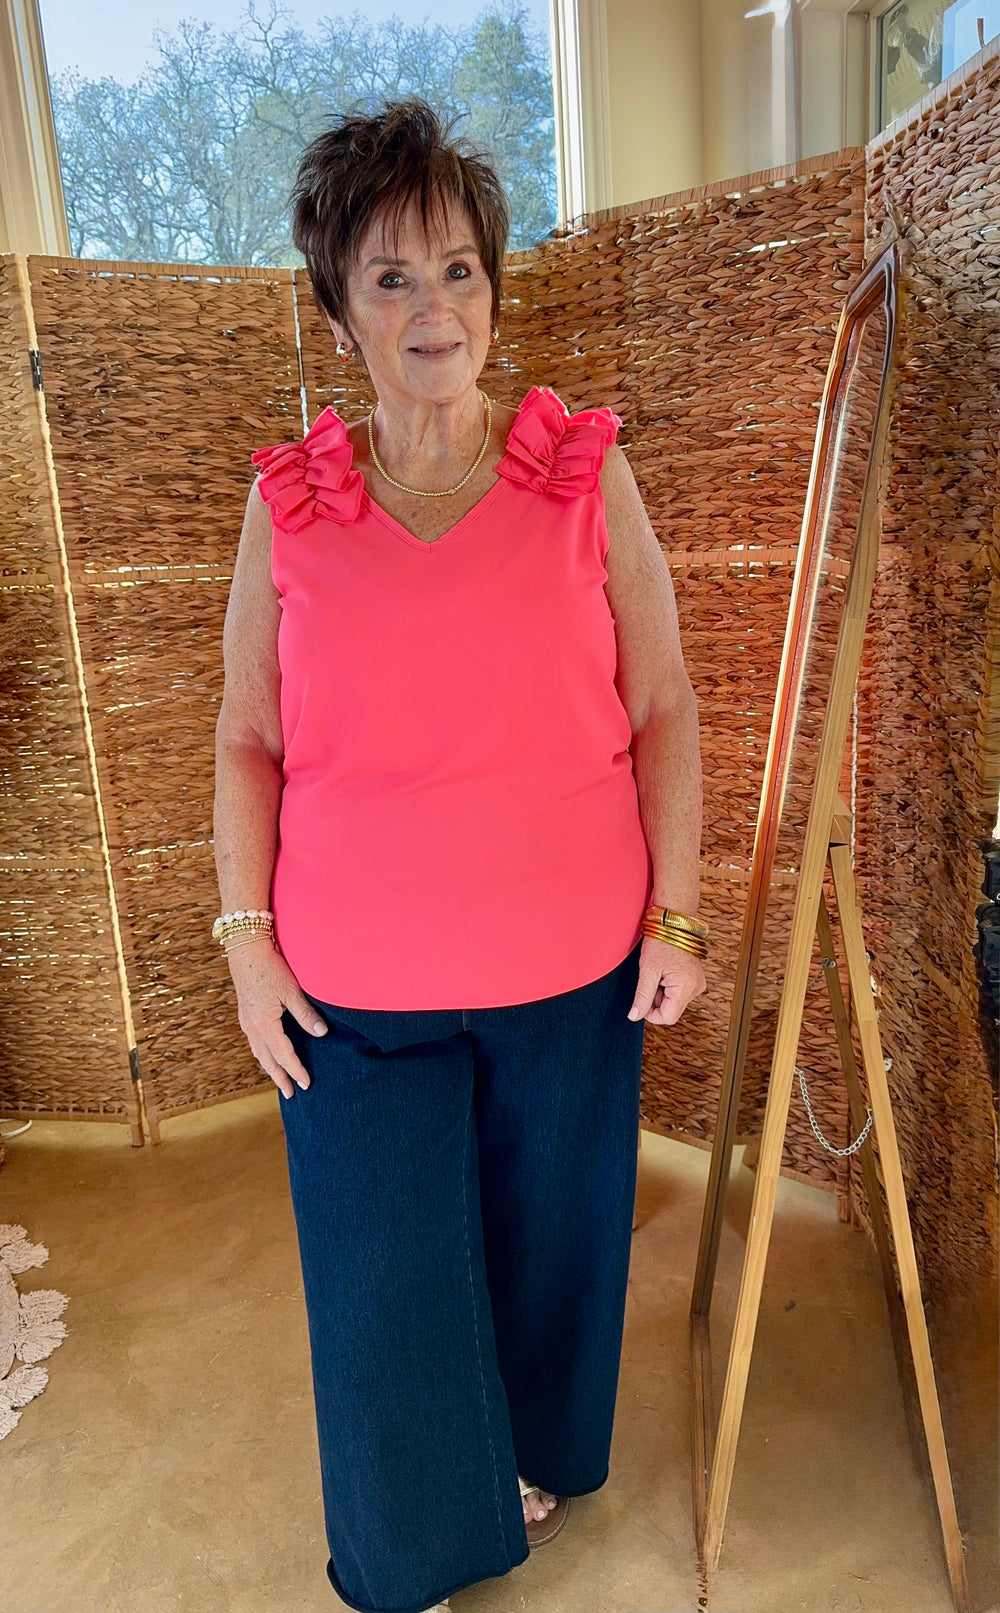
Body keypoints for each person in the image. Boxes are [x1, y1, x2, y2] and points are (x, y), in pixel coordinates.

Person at [212, 98, 705, 1613]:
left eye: (459, 269)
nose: (436, 307)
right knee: (385, 1284)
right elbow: (247, 735)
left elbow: (664, 706)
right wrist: (245, 945)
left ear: (493, 286)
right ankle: (416, 1539)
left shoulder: (582, 477)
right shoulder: (289, 507)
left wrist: (680, 913)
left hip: (573, 970)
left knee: (550, 1252)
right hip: (351, 992)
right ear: (338, 314)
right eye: (391, 277)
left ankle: (527, 1458)